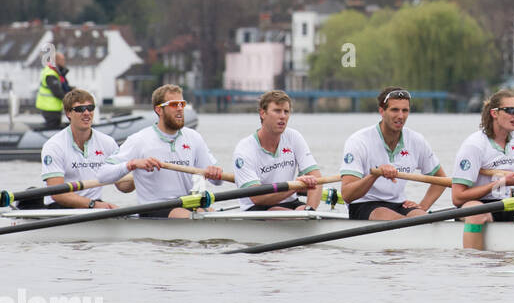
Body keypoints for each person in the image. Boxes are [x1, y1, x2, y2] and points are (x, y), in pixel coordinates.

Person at [106, 84, 224, 218]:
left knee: (211, 215)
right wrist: (132, 164)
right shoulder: (139, 140)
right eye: (174, 104)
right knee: (192, 216)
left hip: (188, 204)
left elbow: (218, 182)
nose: (180, 109)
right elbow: (103, 174)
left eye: (182, 104)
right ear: (159, 110)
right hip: (154, 207)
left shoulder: (194, 137)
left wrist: (215, 173)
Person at [34, 89, 162, 210]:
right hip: (61, 207)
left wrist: (137, 169)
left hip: (93, 206)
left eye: (90, 108)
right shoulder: (54, 145)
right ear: (68, 113)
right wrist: (93, 205)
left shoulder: (107, 142)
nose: (86, 113)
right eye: (80, 109)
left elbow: (123, 187)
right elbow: (57, 194)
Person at [339, 87, 445, 220]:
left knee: (423, 218)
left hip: (399, 204)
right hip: (364, 204)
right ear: (382, 111)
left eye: (405, 110)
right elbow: (347, 194)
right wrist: (375, 175)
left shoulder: (416, 140)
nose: (400, 116)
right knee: (399, 220)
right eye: (395, 110)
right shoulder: (359, 141)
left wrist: (422, 206)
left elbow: (441, 180)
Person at [451, 90, 514, 249]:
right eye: (511, 111)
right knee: (478, 213)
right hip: (475, 204)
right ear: (494, 113)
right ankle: (474, 263)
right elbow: (457, 197)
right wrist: (499, 183)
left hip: (504, 202)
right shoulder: (474, 145)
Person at [231, 90, 322, 211]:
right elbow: (257, 197)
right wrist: (296, 186)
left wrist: (309, 211)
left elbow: (317, 179)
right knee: (278, 211)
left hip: (289, 203)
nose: (283, 116)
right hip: (257, 207)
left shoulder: (294, 137)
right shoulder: (244, 150)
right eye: (277, 111)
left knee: (302, 209)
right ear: (263, 113)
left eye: (286, 111)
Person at [36, 51, 72, 129]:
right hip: (49, 107)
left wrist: (73, 91)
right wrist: (71, 100)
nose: (64, 62)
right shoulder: (50, 74)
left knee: (56, 126)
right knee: (53, 128)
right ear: (55, 61)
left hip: (54, 107)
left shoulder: (57, 73)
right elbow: (58, 92)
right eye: (62, 60)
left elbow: (64, 87)